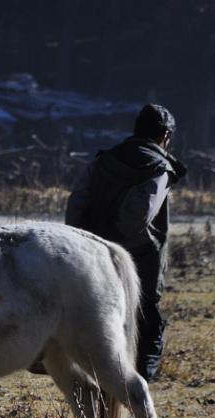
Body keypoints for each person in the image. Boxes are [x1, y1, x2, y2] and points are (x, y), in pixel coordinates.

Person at [62, 104, 187, 381]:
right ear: (165, 135)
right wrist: (130, 243)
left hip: (92, 261)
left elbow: (77, 203)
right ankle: (134, 400)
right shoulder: (159, 168)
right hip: (139, 265)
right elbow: (137, 216)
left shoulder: (103, 160)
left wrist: (88, 244)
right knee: (144, 335)